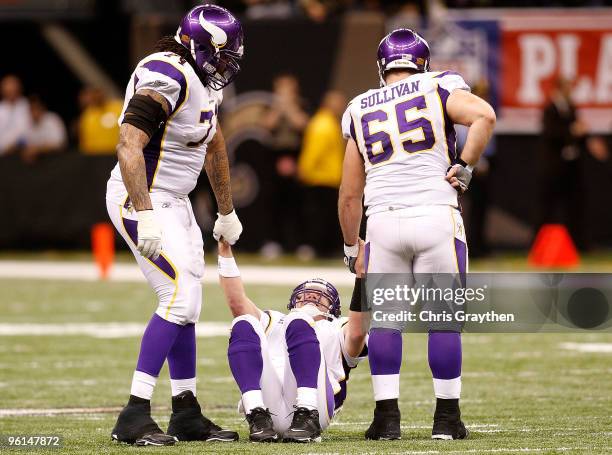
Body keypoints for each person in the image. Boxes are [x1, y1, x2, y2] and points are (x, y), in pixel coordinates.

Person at [338, 29, 495, 440]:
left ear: (381, 67)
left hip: (383, 222)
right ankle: (446, 420)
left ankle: (386, 419)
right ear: (421, 63)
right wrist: (465, 165)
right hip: (435, 216)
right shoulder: (439, 85)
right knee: (443, 321)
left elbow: (349, 194)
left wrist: (352, 246)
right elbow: (485, 116)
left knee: (387, 322)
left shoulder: (357, 107)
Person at [105, 5, 245, 446]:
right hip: (142, 197)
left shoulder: (202, 82)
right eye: (218, 56)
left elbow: (215, 145)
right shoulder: (168, 72)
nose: (224, 66)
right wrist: (144, 212)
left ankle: (186, 411)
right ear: (194, 45)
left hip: (176, 201)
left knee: (190, 302)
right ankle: (134, 412)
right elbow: (129, 142)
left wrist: (226, 211)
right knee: (178, 295)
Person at [218, 239, 368, 443]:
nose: (310, 298)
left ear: (332, 309)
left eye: (320, 296)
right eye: (305, 294)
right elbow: (237, 302)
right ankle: (256, 415)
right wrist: (224, 249)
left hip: (317, 407)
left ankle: (307, 414)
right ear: (293, 301)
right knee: (243, 322)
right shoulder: (276, 320)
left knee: (299, 321)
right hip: (270, 406)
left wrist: (363, 275)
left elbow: (358, 332)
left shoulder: (337, 327)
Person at [538, 77, 588, 249]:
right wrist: (571, 130)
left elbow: (579, 134)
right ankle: (542, 245)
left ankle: (576, 243)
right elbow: (550, 133)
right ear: (559, 89)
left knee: (574, 205)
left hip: (572, 166)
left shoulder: (572, 108)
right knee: (548, 207)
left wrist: (582, 133)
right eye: (567, 87)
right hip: (553, 167)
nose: (570, 91)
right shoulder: (550, 109)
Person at [298, 90, 347, 257]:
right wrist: (305, 170)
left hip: (329, 178)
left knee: (326, 218)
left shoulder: (329, 122)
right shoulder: (322, 124)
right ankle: (314, 248)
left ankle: (324, 249)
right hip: (320, 179)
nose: (341, 106)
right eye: (338, 102)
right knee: (318, 217)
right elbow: (313, 152)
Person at [20, 95, 67, 163]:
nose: (34, 112)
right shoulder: (27, 123)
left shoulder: (52, 119)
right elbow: (24, 143)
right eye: (32, 109)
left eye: (36, 108)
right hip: (38, 164)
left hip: (57, 160)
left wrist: (39, 149)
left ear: (42, 108)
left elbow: (61, 144)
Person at [78, 87, 123, 154]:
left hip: (116, 153)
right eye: (92, 94)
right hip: (95, 156)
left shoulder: (118, 107)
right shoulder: (87, 114)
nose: (96, 96)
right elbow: (83, 138)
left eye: (97, 92)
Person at [0, 75, 30, 155]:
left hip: (25, 153)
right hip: (3, 156)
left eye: (14, 90)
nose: (12, 93)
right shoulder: (1, 110)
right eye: (9, 91)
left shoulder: (28, 105)